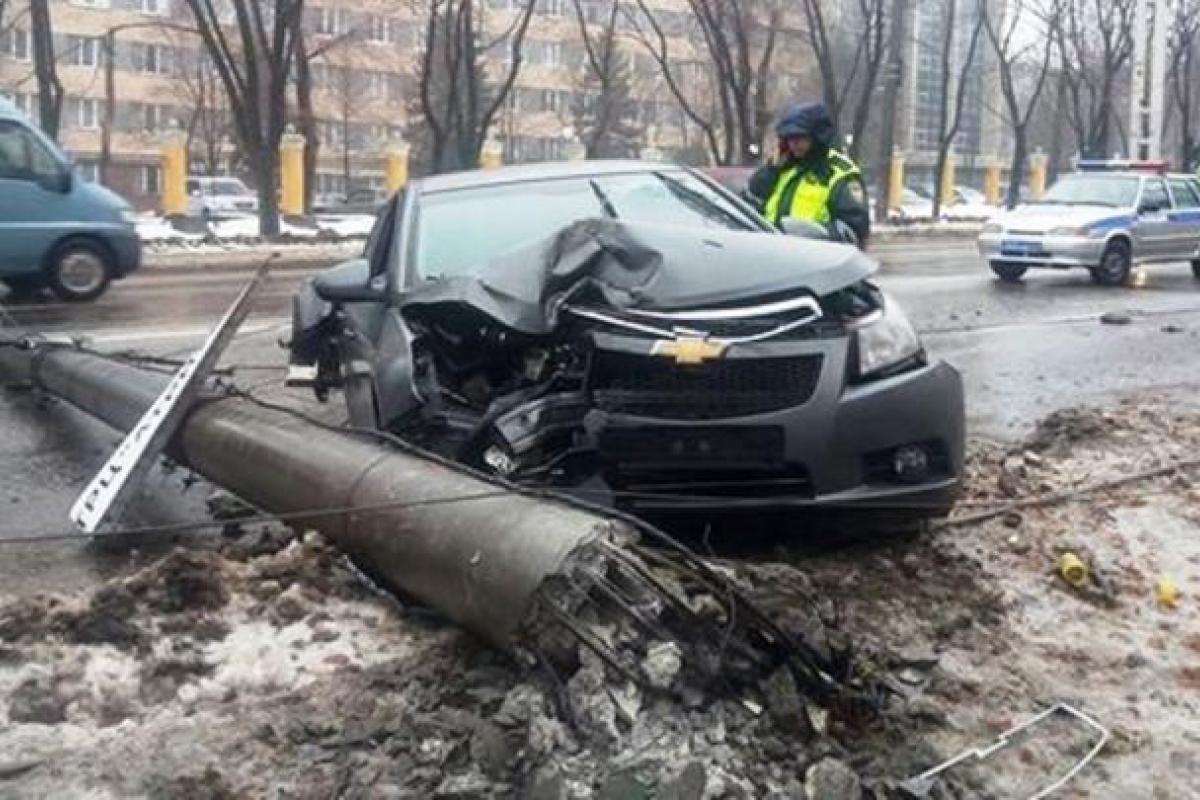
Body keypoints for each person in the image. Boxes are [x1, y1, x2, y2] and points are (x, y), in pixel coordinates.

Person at [746, 102, 870, 247]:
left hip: (815, 259)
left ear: (818, 137)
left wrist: (814, 233)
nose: (794, 144)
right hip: (774, 255)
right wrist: (771, 170)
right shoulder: (782, 167)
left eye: (800, 137)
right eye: (789, 138)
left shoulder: (839, 172)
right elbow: (749, 205)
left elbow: (854, 229)